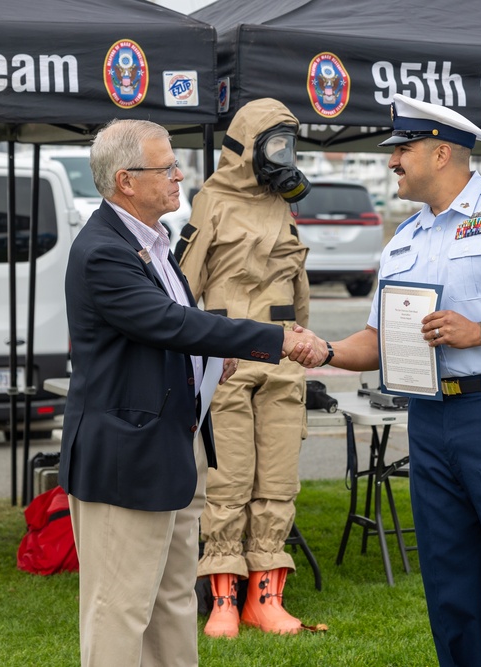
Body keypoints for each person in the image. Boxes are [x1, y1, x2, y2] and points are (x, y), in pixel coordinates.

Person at [293, 95, 481, 667]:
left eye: (402, 149)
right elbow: (380, 340)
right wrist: (324, 349)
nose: (392, 162)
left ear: (441, 152)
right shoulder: (403, 240)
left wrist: (480, 332)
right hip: (432, 420)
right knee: (450, 587)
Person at [58, 118, 324, 667]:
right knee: (120, 608)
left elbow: (178, 328)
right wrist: (273, 338)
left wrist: (209, 361)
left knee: (173, 600)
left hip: (170, 448)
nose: (180, 176)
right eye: (167, 167)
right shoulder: (104, 250)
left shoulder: (152, 242)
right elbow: (167, 324)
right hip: (125, 460)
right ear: (127, 180)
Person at [176, 98, 313, 638]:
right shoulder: (210, 201)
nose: (283, 156)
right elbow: (183, 289)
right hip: (226, 357)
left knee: (278, 479)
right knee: (226, 480)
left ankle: (266, 594)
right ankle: (223, 598)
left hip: (282, 356)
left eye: (288, 145)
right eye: (274, 145)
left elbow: (297, 285)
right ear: (246, 147)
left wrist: (304, 341)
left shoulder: (283, 203)